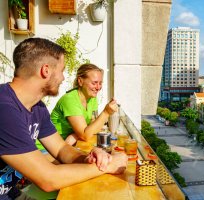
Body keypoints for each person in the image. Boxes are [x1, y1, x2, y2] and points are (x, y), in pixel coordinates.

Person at [0, 38, 127, 199]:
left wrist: (88, 157)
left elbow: (61, 149)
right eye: (62, 70)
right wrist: (108, 165)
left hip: (10, 193)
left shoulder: (37, 107)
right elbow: (48, 179)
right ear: (46, 70)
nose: (63, 78)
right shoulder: (4, 108)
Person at [36, 63, 117, 149]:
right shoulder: (70, 100)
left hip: (66, 145)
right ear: (80, 81)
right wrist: (106, 112)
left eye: (100, 83)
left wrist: (75, 135)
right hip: (46, 149)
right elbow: (86, 135)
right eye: (94, 83)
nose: (98, 87)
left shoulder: (92, 98)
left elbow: (93, 127)